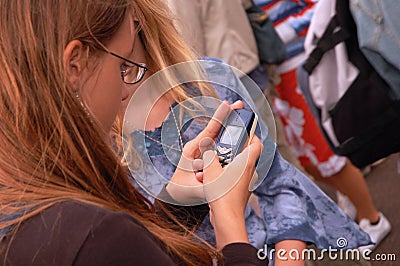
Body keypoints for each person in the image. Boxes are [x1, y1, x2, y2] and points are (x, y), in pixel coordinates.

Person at [0, 0, 267, 265]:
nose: (125, 89)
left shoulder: (29, 202)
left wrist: (175, 204)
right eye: (122, 67)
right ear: (74, 65)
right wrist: (230, 224)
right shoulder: (98, 234)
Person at [119, 1, 372, 266]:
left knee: (307, 154)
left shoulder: (210, 80)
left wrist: (286, 255)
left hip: (257, 252)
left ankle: (369, 216)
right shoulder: (91, 146)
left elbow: (279, 183)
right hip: (242, 62)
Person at [254, 0, 391, 252]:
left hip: (305, 63)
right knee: (307, 157)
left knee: (325, 153)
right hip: (278, 73)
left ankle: (372, 218)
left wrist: (283, 31)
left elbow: (322, 7)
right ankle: (351, 200)